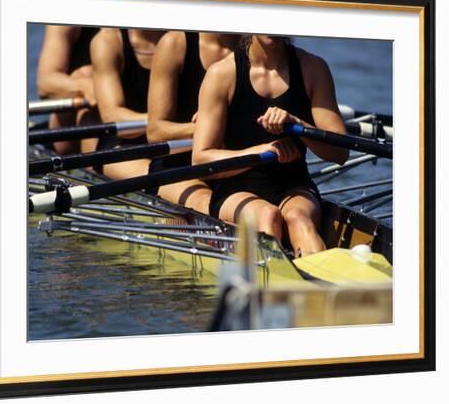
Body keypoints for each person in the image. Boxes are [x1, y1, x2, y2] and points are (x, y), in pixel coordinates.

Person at [192, 35, 349, 257]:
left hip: (294, 186)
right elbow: (200, 158)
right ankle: (277, 282)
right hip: (235, 189)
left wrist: (299, 125)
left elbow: (340, 152)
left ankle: (324, 285)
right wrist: (259, 151)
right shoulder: (222, 74)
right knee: (268, 216)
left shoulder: (312, 68)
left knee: (299, 220)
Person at [147, 31, 241, 214]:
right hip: (177, 166)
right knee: (207, 202)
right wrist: (208, 124)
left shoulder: (255, 49)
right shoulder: (174, 44)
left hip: (231, 165)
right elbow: (155, 131)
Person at [90, 28, 165, 179]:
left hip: (176, 140)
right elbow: (112, 116)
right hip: (123, 145)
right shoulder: (108, 41)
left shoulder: (185, 39)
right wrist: (165, 124)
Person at [37, 25, 99, 155]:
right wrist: (93, 89)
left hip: (131, 119)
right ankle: (94, 164)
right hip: (73, 126)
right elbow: (45, 83)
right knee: (86, 74)